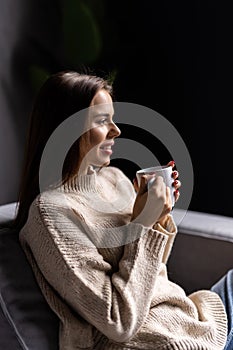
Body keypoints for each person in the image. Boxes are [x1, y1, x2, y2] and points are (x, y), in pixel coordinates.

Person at [15, 70, 231, 349]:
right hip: (158, 342)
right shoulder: (51, 214)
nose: (117, 130)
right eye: (103, 121)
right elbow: (118, 321)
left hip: (187, 321)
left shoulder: (114, 178)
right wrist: (143, 222)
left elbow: (154, 272)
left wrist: (158, 217)